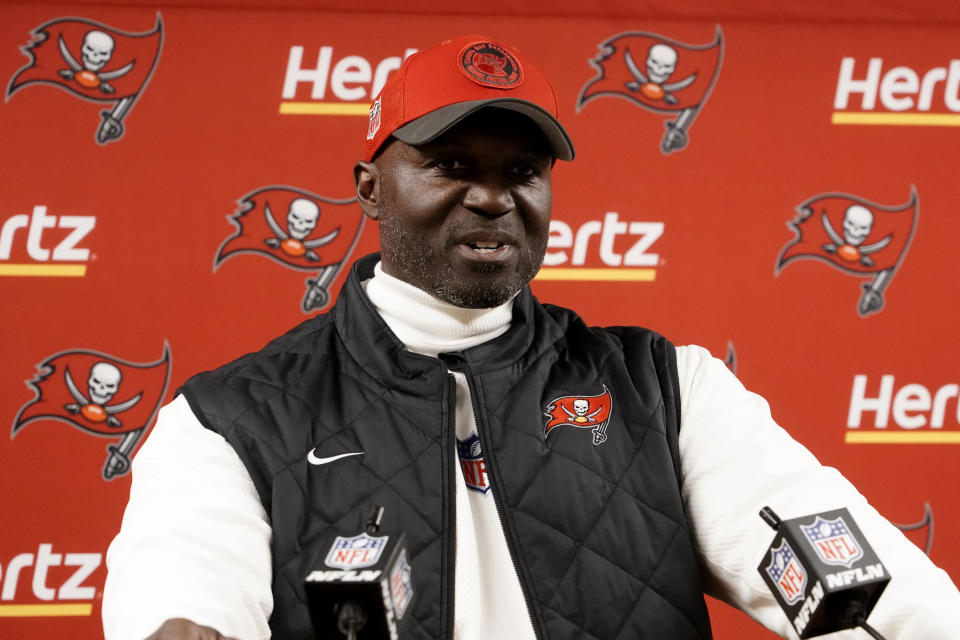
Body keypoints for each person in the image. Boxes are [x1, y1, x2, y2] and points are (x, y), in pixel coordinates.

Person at [102, 35, 960, 640]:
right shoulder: (233, 420)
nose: (492, 197)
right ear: (369, 187)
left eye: (522, 172)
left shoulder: (663, 388)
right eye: (451, 165)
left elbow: (871, 589)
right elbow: (185, 592)